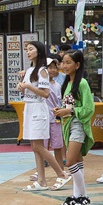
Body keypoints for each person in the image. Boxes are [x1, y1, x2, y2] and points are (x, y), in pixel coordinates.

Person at [19, 42, 68, 191]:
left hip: (39, 110)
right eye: (27, 50)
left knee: (39, 146)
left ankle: (61, 173)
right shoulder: (30, 70)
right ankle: (41, 180)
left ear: (38, 51)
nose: (28, 52)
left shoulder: (42, 71)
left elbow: (45, 93)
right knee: (35, 146)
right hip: (29, 107)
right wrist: (22, 87)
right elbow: (29, 91)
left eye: (31, 49)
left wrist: (28, 86)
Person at [54, 49, 95, 205]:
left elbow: (88, 108)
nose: (64, 66)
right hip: (67, 125)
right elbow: (69, 105)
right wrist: (61, 110)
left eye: (68, 62)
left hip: (78, 125)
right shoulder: (67, 83)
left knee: (69, 161)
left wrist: (69, 111)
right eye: (63, 62)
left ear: (77, 65)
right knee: (77, 160)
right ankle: (77, 195)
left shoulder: (82, 84)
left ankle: (83, 196)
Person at [47, 58, 68, 181]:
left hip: (55, 119)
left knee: (57, 145)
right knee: (42, 146)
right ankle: (39, 171)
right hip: (44, 119)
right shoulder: (41, 84)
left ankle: (61, 169)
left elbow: (60, 101)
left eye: (55, 67)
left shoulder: (57, 85)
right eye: (50, 67)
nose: (53, 70)